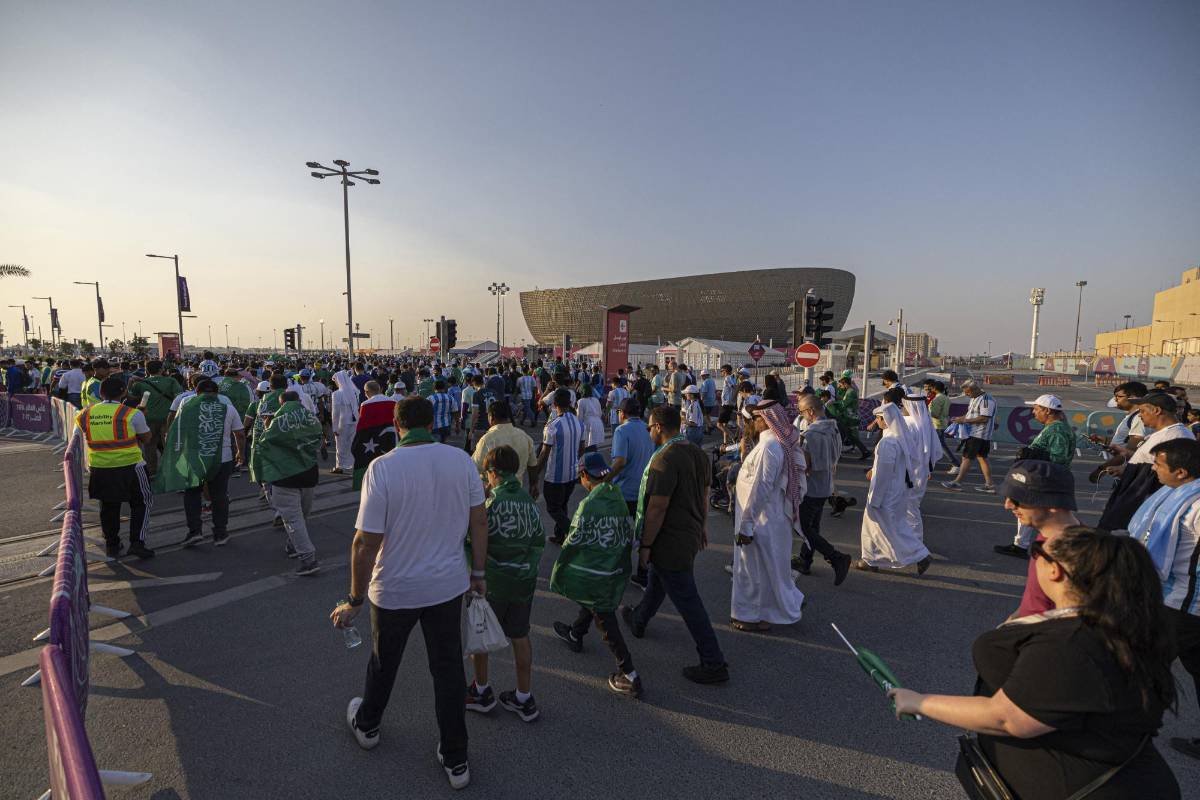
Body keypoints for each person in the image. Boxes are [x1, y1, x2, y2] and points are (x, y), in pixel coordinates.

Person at [889, 528, 1182, 800]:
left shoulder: (1072, 643)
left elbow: (1008, 718)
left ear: (1055, 570)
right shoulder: (1121, 624)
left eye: (1037, 553)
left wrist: (918, 701)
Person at [330, 397, 487, 790]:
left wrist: (354, 598)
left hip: (395, 589)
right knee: (448, 669)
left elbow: (365, 543)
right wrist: (479, 572)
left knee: (385, 662)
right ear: (432, 422)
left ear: (397, 426)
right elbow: (479, 520)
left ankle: (367, 725)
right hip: (448, 585)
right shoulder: (460, 460)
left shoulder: (382, 468)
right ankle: (456, 758)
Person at [621, 406, 729, 684]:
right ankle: (639, 619)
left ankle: (713, 661)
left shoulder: (664, 460)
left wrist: (645, 546)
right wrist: (702, 524)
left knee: (687, 599)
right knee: (659, 582)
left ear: (658, 427)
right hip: (689, 532)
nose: (648, 432)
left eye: (649, 427)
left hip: (670, 538)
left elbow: (657, 507)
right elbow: (704, 494)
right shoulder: (696, 452)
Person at [1126, 438, 1200, 761]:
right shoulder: (1179, 494)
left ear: (1181, 472)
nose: (1153, 468)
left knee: (1145, 668)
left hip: (1182, 607)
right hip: (1180, 603)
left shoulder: (1196, 505)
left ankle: (1132, 735)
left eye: (1159, 464)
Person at [550, 452, 642, 698]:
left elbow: (574, 539)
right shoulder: (616, 496)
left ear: (583, 475)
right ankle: (576, 632)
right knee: (593, 602)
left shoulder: (589, 504)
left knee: (604, 617)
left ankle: (629, 673)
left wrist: (562, 566)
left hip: (595, 569)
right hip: (612, 566)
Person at [465, 445, 546, 722]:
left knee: (481, 636)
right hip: (523, 581)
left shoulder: (490, 504)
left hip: (493, 583)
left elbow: (472, 540)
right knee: (520, 636)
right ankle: (524, 697)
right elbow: (538, 541)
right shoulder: (530, 503)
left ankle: (481, 690)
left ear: (493, 473)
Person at [730, 402, 807, 632]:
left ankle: (755, 617)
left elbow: (761, 487)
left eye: (756, 418)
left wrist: (746, 525)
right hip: (764, 519)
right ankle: (787, 603)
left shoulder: (770, 447)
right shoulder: (770, 444)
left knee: (756, 571)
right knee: (768, 569)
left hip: (762, 521)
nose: (753, 422)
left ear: (766, 419)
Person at [158, 379, 245, 548]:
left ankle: (194, 531)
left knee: (192, 494)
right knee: (219, 496)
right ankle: (220, 533)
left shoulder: (187, 408)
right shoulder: (228, 407)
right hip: (222, 458)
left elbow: (177, 431)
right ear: (217, 393)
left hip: (193, 458)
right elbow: (240, 434)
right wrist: (240, 453)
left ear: (196, 393)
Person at [76, 377, 154, 559]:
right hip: (131, 466)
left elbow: (84, 432)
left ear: (101, 393)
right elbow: (147, 438)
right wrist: (141, 415)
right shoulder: (131, 414)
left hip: (100, 466)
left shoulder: (84, 414)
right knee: (142, 502)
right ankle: (137, 543)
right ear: (123, 393)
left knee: (109, 506)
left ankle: (111, 544)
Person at [1098, 391, 1195, 532]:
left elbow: (1167, 476)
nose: (1139, 415)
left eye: (1142, 411)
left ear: (1156, 410)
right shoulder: (1163, 434)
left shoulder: (1176, 436)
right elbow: (1149, 465)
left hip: (1140, 505)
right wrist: (1126, 467)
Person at [994, 395, 1076, 559]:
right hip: (1048, 477)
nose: (1033, 412)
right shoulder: (1056, 427)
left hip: (1047, 479)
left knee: (1040, 513)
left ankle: (1063, 546)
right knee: (1030, 510)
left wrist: (1033, 455)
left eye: (1037, 409)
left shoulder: (1057, 429)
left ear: (1047, 411)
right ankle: (1022, 544)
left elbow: (1058, 458)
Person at [251, 391, 324, 574]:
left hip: (285, 475)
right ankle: (293, 545)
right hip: (309, 473)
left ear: (281, 403)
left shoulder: (275, 421)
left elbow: (263, 444)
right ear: (299, 401)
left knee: (293, 519)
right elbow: (319, 439)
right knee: (302, 515)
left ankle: (308, 560)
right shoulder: (310, 417)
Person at [1000, 460, 1082, 619]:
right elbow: (1036, 600)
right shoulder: (1047, 537)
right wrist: (1014, 619)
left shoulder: (1078, 554)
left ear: (1052, 503)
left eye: (1016, 500)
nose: (1007, 505)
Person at [856, 404, 931, 574]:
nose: (877, 422)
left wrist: (875, 498)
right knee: (886, 526)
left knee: (885, 527)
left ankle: (919, 554)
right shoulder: (900, 438)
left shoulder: (888, 442)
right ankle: (870, 559)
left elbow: (883, 474)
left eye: (879, 418)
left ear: (885, 419)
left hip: (885, 493)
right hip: (897, 490)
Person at [790, 395, 852, 583]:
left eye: (801, 412)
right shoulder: (833, 427)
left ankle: (836, 557)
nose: (801, 416)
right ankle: (805, 560)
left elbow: (806, 466)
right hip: (826, 484)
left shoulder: (811, 434)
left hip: (812, 487)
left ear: (810, 411)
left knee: (802, 527)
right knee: (813, 526)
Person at [534, 389, 584, 545]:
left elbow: (544, 453)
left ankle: (573, 533)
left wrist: (535, 473)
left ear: (554, 405)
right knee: (562, 505)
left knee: (553, 508)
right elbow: (582, 447)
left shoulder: (553, 425)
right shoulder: (578, 422)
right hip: (572, 473)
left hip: (555, 475)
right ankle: (560, 535)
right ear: (569, 403)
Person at [126, 360, 181, 477]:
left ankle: (152, 472)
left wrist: (130, 383)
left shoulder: (141, 384)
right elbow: (179, 397)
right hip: (168, 419)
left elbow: (130, 397)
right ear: (161, 369)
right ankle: (172, 471)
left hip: (148, 419)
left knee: (149, 446)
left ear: (147, 370)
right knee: (169, 445)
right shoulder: (171, 381)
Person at [942, 379, 997, 493]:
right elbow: (970, 414)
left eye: (968, 392)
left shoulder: (986, 400)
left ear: (975, 390)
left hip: (979, 434)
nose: (966, 394)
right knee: (982, 458)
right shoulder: (974, 399)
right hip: (977, 434)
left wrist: (965, 420)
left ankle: (957, 482)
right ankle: (989, 484)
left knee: (967, 457)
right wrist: (960, 419)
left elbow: (984, 418)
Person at [471, 399, 538, 492]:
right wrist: (533, 485)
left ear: (491, 417)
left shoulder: (487, 439)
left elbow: (473, 469)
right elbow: (533, 466)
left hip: (494, 496)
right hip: (517, 492)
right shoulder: (525, 437)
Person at [831, 375, 870, 459]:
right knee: (849, 435)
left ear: (845, 384)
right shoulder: (848, 391)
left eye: (841, 385)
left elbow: (844, 404)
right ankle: (864, 451)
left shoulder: (851, 392)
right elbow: (841, 399)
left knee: (849, 435)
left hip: (851, 418)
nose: (840, 386)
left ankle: (865, 451)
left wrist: (832, 403)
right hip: (848, 417)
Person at [330, 370, 358, 475]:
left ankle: (340, 466)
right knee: (352, 444)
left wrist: (334, 428)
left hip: (342, 422)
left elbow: (335, 412)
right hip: (354, 421)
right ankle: (353, 464)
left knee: (340, 445)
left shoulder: (336, 394)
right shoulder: (353, 391)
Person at [576, 383, 605, 452]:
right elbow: (600, 413)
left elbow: (579, 417)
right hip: (598, 422)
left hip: (588, 424)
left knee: (587, 445)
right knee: (593, 444)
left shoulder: (581, 401)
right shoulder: (596, 400)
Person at [717, 364, 739, 445]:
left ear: (725, 371)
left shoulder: (727, 378)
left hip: (727, 404)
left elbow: (736, 387)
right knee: (724, 425)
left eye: (721, 371)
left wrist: (733, 398)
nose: (721, 373)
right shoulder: (731, 378)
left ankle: (733, 437)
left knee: (719, 424)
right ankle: (725, 442)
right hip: (728, 404)